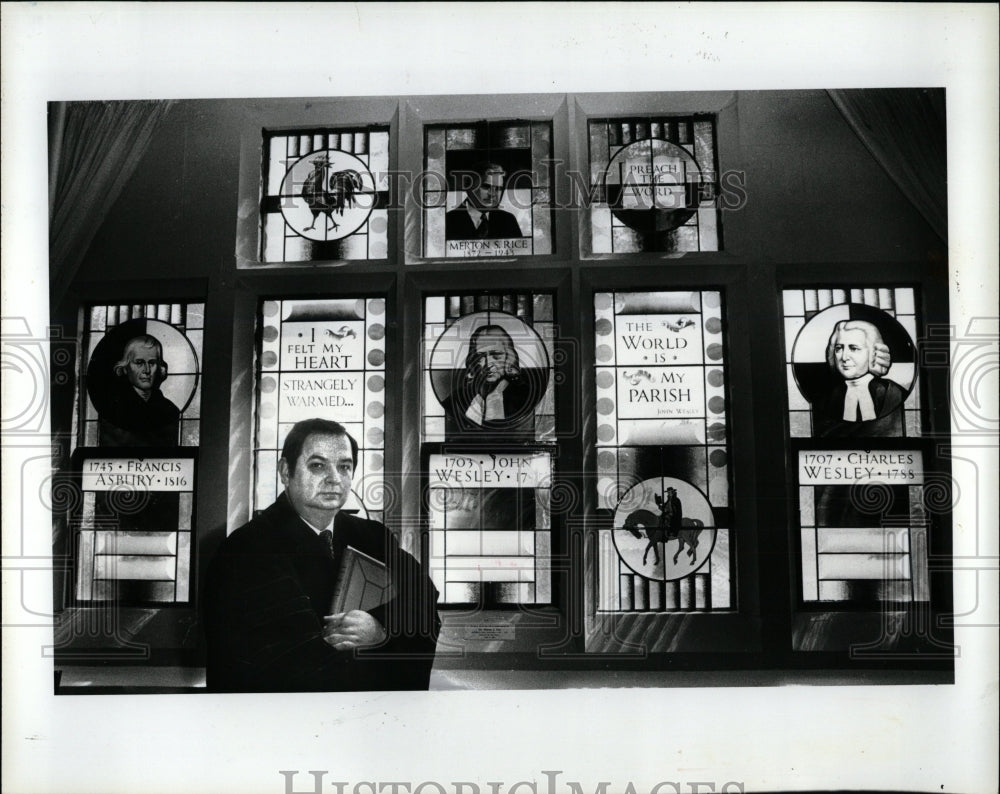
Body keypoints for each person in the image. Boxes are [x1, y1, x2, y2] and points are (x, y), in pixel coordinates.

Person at [203, 418, 440, 692]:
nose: (334, 479)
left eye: (344, 466)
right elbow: (292, 659)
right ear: (285, 471)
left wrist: (381, 628)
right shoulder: (247, 549)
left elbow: (424, 597)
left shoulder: (372, 536)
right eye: (317, 466)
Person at [814, 319, 907, 438]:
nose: (844, 357)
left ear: (873, 353)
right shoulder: (827, 398)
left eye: (854, 348)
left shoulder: (892, 393)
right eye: (839, 348)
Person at [441, 324, 536, 430]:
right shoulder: (457, 398)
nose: (488, 364)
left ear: (509, 358)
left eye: (496, 355)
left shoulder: (525, 397)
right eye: (481, 356)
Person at [99, 334, 180, 446]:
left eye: (152, 363)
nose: (147, 370)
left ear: (159, 367)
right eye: (139, 363)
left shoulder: (170, 410)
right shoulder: (112, 407)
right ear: (125, 367)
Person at [445, 162, 524, 240]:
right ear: (468, 187)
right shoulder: (448, 222)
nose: (493, 194)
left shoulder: (509, 221)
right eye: (486, 186)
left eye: (498, 188)